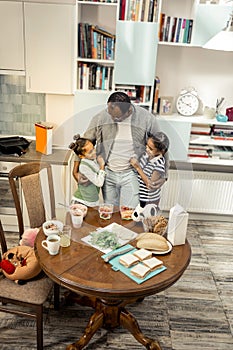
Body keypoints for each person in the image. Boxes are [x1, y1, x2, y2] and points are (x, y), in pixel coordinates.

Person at [77, 91, 169, 208]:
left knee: (129, 214)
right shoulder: (101, 117)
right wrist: (76, 172)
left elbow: (162, 145)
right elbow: (84, 142)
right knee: (110, 212)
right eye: (109, 113)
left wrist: (165, 175)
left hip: (132, 173)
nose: (111, 118)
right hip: (108, 173)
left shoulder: (146, 118)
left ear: (129, 110)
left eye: (116, 117)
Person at [130, 131, 169, 209]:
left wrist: (138, 168)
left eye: (151, 148)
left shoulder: (159, 164)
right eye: (147, 146)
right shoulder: (146, 155)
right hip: (140, 197)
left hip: (149, 200)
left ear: (161, 151)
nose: (147, 149)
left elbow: (150, 185)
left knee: (145, 220)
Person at [69, 134, 106, 207]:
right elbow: (99, 183)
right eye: (90, 152)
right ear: (81, 156)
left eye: (93, 148)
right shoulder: (83, 167)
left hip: (91, 201)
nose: (94, 152)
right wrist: (102, 166)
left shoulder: (92, 160)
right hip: (81, 202)